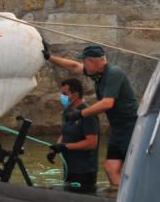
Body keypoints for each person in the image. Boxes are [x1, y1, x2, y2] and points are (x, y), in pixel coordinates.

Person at [44, 42, 138, 187]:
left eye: (84, 61)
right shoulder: (97, 74)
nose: (83, 64)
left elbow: (107, 103)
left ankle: (138, 201)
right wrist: (49, 57)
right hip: (116, 128)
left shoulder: (113, 73)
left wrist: (80, 114)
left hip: (130, 128)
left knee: (135, 169)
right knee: (110, 168)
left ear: (92, 61)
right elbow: (74, 67)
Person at [48, 78, 100, 193]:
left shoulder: (88, 114)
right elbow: (64, 133)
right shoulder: (68, 111)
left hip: (84, 171)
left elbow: (92, 143)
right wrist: (56, 149)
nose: (62, 97)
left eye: (65, 94)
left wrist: (65, 146)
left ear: (75, 94)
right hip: (69, 168)